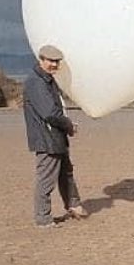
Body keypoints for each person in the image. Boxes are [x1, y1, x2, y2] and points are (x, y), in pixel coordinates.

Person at [23, 45, 88, 227]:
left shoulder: (48, 80)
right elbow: (49, 113)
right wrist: (68, 125)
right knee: (47, 178)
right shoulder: (36, 82)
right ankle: (43, 218)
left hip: (56, 137)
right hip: (46, 139)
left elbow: (56, 110)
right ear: (41, 60)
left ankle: (74, 205)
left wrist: (67, 125)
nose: (54, 64)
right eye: (50, 61)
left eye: (56, 62)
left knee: (66, 173)